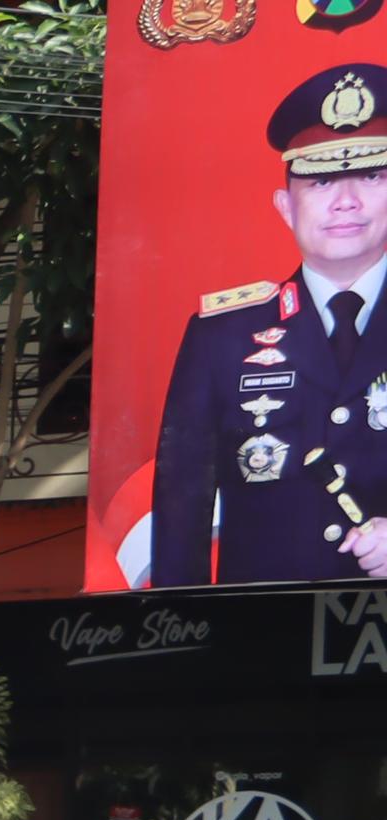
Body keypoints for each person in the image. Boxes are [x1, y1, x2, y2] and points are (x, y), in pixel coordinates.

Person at [149, 63, 387, 589]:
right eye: (321, 180)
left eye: (371, 175)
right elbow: (181, 509)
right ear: (285, 207)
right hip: (265, 645)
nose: (345, 201)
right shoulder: (222, 337)